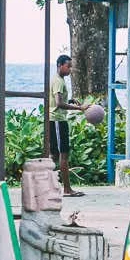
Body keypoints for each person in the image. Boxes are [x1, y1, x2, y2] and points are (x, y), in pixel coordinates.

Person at [48, 54, 86, 197]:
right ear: (60, 65)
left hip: (55, 120)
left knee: (54, 155)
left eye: (71, 66)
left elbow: (57, 99)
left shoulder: (57, 80)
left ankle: (48, 188)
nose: (70, 69)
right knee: (63, 155)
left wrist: (70, 100)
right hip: (57, 120)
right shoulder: (59, 81)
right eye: (68, 66)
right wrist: (80, 108)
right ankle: (67, 189)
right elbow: (58, 104)